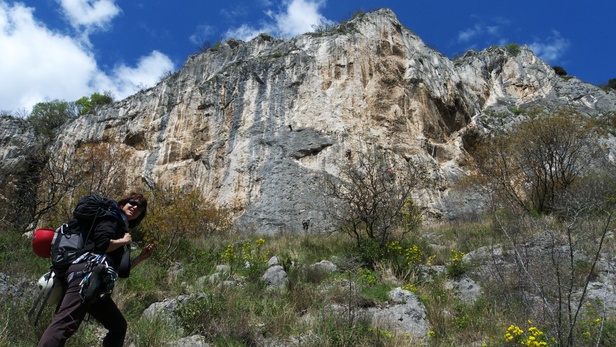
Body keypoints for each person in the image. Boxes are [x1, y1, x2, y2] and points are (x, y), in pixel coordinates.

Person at [38, 192, 154, 347]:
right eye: (132, 202)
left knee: (118, 326)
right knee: (63, 325)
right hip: (85, 276)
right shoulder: (111, 218)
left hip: (96, 282)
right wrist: (123, 241)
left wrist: (140, 258)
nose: (135, 207)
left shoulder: (119, 224)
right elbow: (102, 245)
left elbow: (119, 270)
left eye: (140, 207)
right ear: (123, 203)